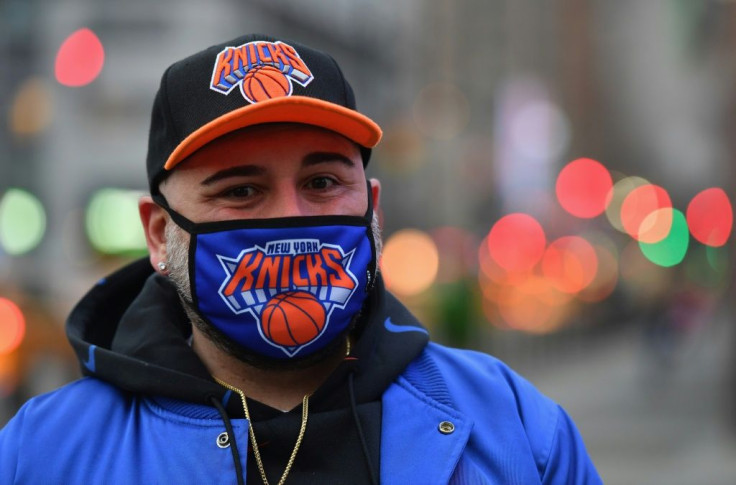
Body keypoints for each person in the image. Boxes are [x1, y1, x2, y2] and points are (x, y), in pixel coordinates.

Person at [0, 33, 602, 484]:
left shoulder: (518, 431)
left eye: (320, 183)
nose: (290, 217)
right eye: (240, 190)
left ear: (374, 211)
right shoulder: (42, 455)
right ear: (160, 235)